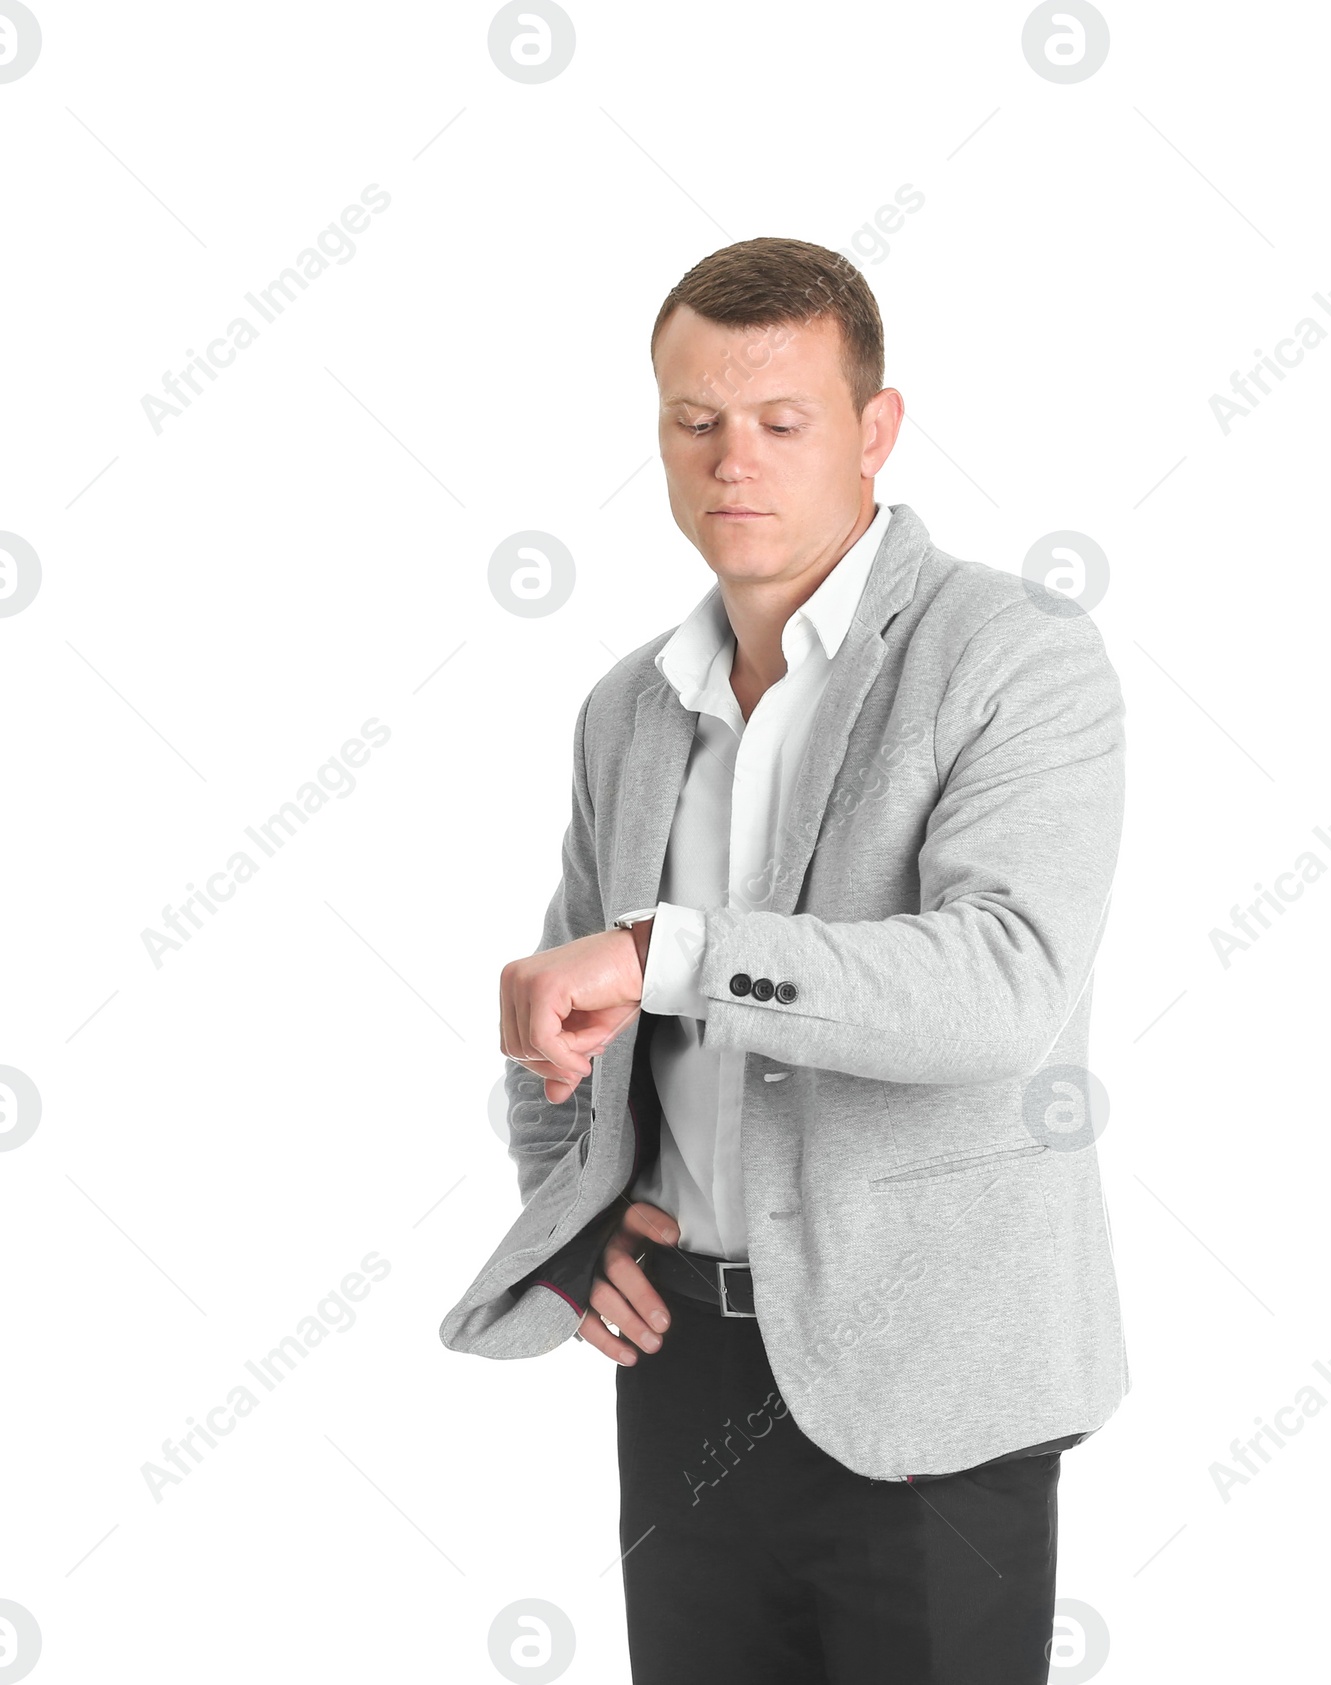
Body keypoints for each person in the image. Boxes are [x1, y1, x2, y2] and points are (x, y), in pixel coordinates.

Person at [441, 236, 1128, 1684]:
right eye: (696, 421)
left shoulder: (1011, 653)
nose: (731, 459)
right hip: (681, 1366)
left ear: (876, 430)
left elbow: (1002, 986)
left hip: (933, 1384)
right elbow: (576, 1012)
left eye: (780, 421)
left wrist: (674, 951)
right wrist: (573, 1209)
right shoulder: (627, 708)